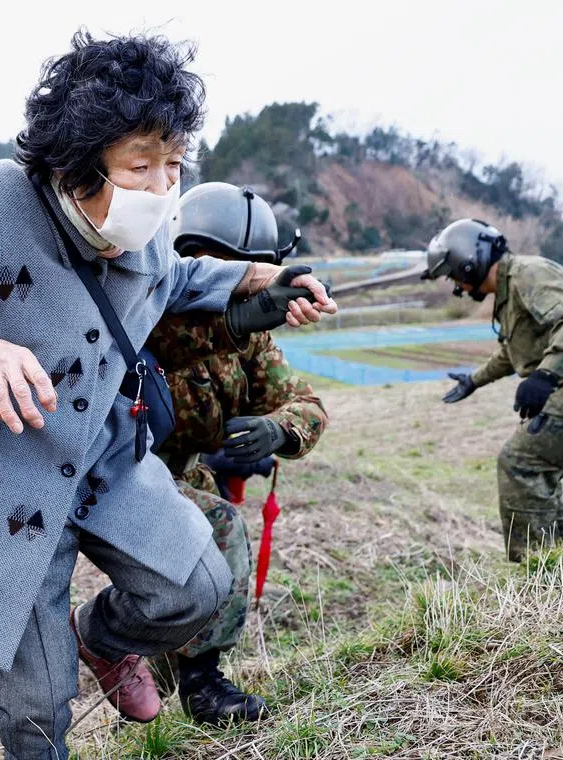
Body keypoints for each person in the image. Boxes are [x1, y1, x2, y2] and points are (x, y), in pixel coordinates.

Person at [0, 31, 336, 759]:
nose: (160, 188)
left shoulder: (148, 223)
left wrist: (252, 280)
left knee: (196, 587)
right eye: (140, 165)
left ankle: (100, 638)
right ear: (77, 162)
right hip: (6, 479)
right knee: (37, 703)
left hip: (104, 454)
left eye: (173, 165)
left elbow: (175, 280)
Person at [135, 182, 328, 725]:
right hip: (124, 472)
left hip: (186, 475)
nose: (232, 284)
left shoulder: (254, 340)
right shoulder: (147, 310)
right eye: (215, 268)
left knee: (187, 595)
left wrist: (277, 430)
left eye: (246, 272)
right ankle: (202, 684)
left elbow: (304, 403)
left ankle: (179, 676)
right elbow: (170, 343)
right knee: (218, 528)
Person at [424, 218, 563, 562]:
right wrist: (474, 381)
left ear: (468, 264)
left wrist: (546, 375)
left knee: (522, 462)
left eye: (453, 276)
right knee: (537, 466)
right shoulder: (511, 287)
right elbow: (514, 350)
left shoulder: (530, 274)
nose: (457, 287)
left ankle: (542, 569)